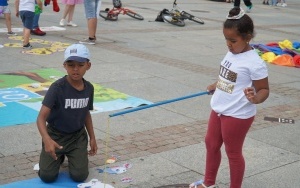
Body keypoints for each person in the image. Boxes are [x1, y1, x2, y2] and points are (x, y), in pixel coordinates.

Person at [189, 7, 269, 188]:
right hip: (219, 108)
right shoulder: (231, 52)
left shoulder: (255, 62)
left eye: (233, 40)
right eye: (226, 39)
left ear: (247, 37)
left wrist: (255, 98)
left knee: (233, 152)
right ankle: (208, 183)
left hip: (237, 113)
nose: (228, 44)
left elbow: (264, 89)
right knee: (211, 144)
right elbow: (228, 77)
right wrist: (216, 85)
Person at [36, 43, 98, 183]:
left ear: (88, 65)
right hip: (55, 136)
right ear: (64, 65)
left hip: (77, 137)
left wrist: (92, 137)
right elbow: (41, 118)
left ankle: (73, 155)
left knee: (79, 176)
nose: (75, 69)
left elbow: (86, 113)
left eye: (80, 65)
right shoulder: (57, 88)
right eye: (71, 65)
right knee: (47, 177)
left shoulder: (89, 88)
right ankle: (60, 156)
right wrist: (47, 139)